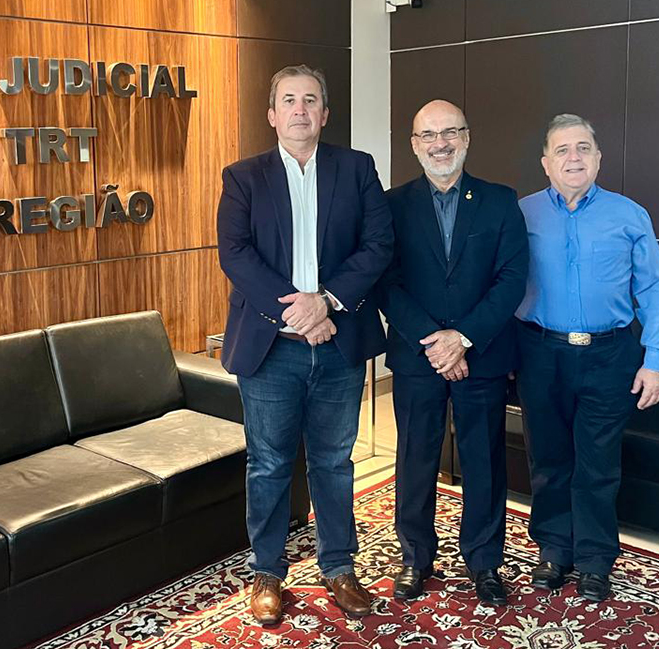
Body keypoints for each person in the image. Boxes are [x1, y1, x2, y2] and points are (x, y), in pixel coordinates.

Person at [217, 65, 393, 626]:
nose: (299, 110)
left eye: (310, 100)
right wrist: (300, 306)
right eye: (288, 100)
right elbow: (236, 255)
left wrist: (329, 301)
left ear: (325, 113)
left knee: (334, 462)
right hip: (272, 347)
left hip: (338, 343)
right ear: (272, 114)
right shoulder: (243, 177)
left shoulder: (357, 168)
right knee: (269, 464)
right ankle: (268, 573)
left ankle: (338, 566)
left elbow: (378, 244)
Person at [515, 113, 659, 602]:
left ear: (599, 158)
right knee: (547, 458)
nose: (573, 158)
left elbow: (653, 288)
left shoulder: (630, 215)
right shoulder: (521, 213)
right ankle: (552, 550)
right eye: (562, 150)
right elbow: (500, 283)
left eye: (583, 148)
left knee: (598, 462)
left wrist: (658, 359)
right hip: (539, 351)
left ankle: (594, 559)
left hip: (610, 354)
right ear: (545, 162)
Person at [378, 100, 528, 607]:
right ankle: (415, 557)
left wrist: (462, 338)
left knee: (483, 460)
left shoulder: (501, 201)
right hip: (417, 356)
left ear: (467, 137)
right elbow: (386, 281)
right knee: (415, 457)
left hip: (480, 355)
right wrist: (435, 342)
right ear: (414, 144)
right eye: (428, 135)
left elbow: (511, 282)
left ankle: (485, 562)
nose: (440, 143)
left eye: (450, 132)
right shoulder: (391, 205)